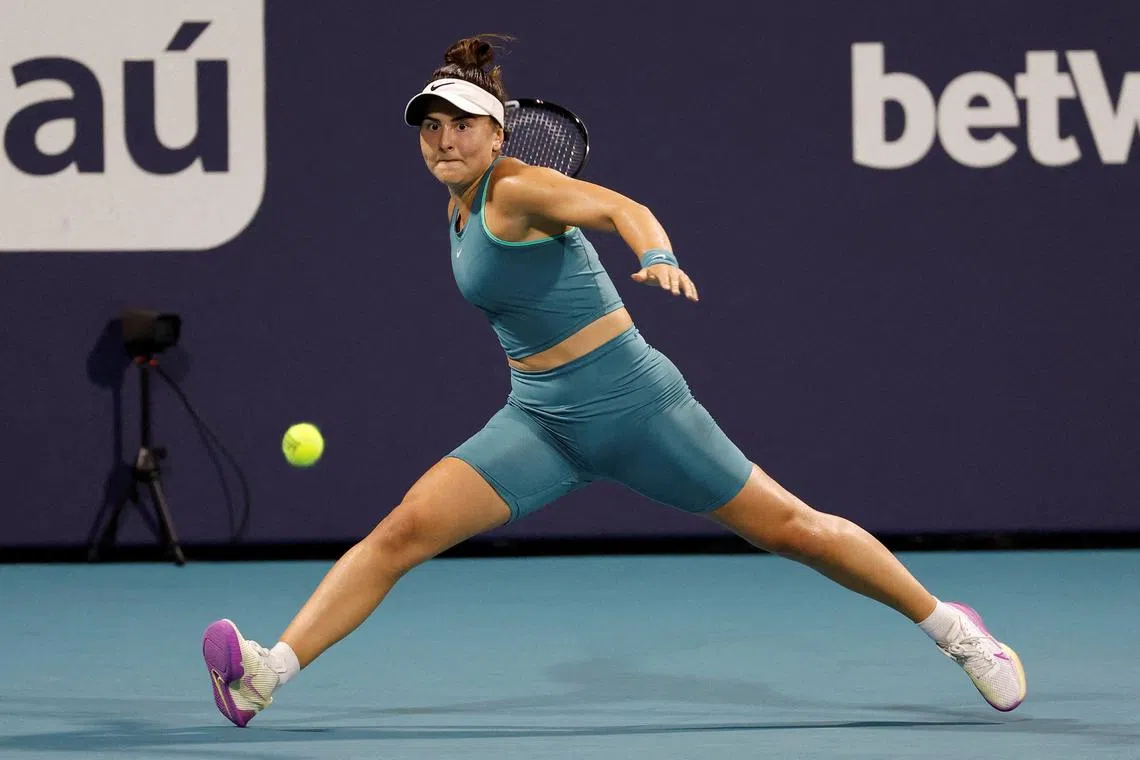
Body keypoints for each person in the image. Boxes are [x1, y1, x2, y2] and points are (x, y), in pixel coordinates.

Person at [202, 35, 1027, 728]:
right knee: (400, 533)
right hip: (539, 423)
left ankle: (957, 630)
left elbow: (623, 208)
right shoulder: (455, 204)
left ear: (498, 135)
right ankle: (266, 674)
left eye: (460, 126)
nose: (443, 141)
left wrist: (657, 256)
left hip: (638, 410)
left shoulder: (521, 187)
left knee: (795, 531)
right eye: (430, 128)